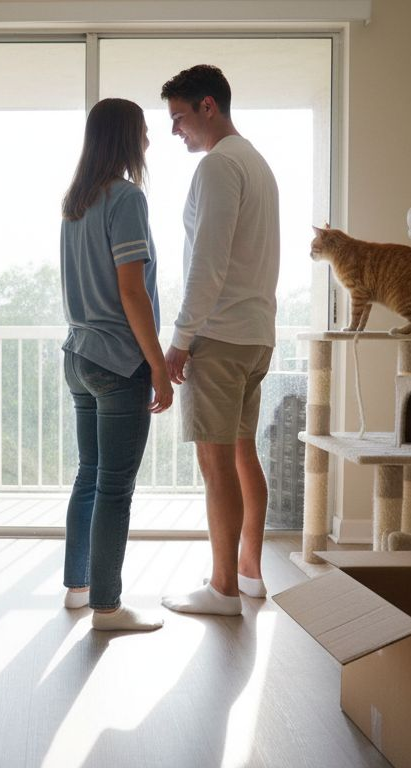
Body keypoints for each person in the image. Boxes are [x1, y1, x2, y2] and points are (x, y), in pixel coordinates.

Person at [158, 65, 280, 617]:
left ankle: (223, 588)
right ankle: (251, 573)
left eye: (179, 118)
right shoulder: (257, 163)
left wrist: (180, 341)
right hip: (256, 335)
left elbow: (207, 265)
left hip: (220, 337)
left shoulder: (217, 167)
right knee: (240, 451)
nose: (175, 131)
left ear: (209, 107)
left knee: (215, 464)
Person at [60, 98, 172, 632]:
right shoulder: (126, 198)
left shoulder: (76, 202)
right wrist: (157, 364)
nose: (149, 139)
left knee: (89, 475)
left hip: (78, 354)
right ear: (127, 138)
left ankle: (78, 590)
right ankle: (108, 606)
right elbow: (132, 292)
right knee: (114, 488)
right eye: (145, 130)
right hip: (116, 361)